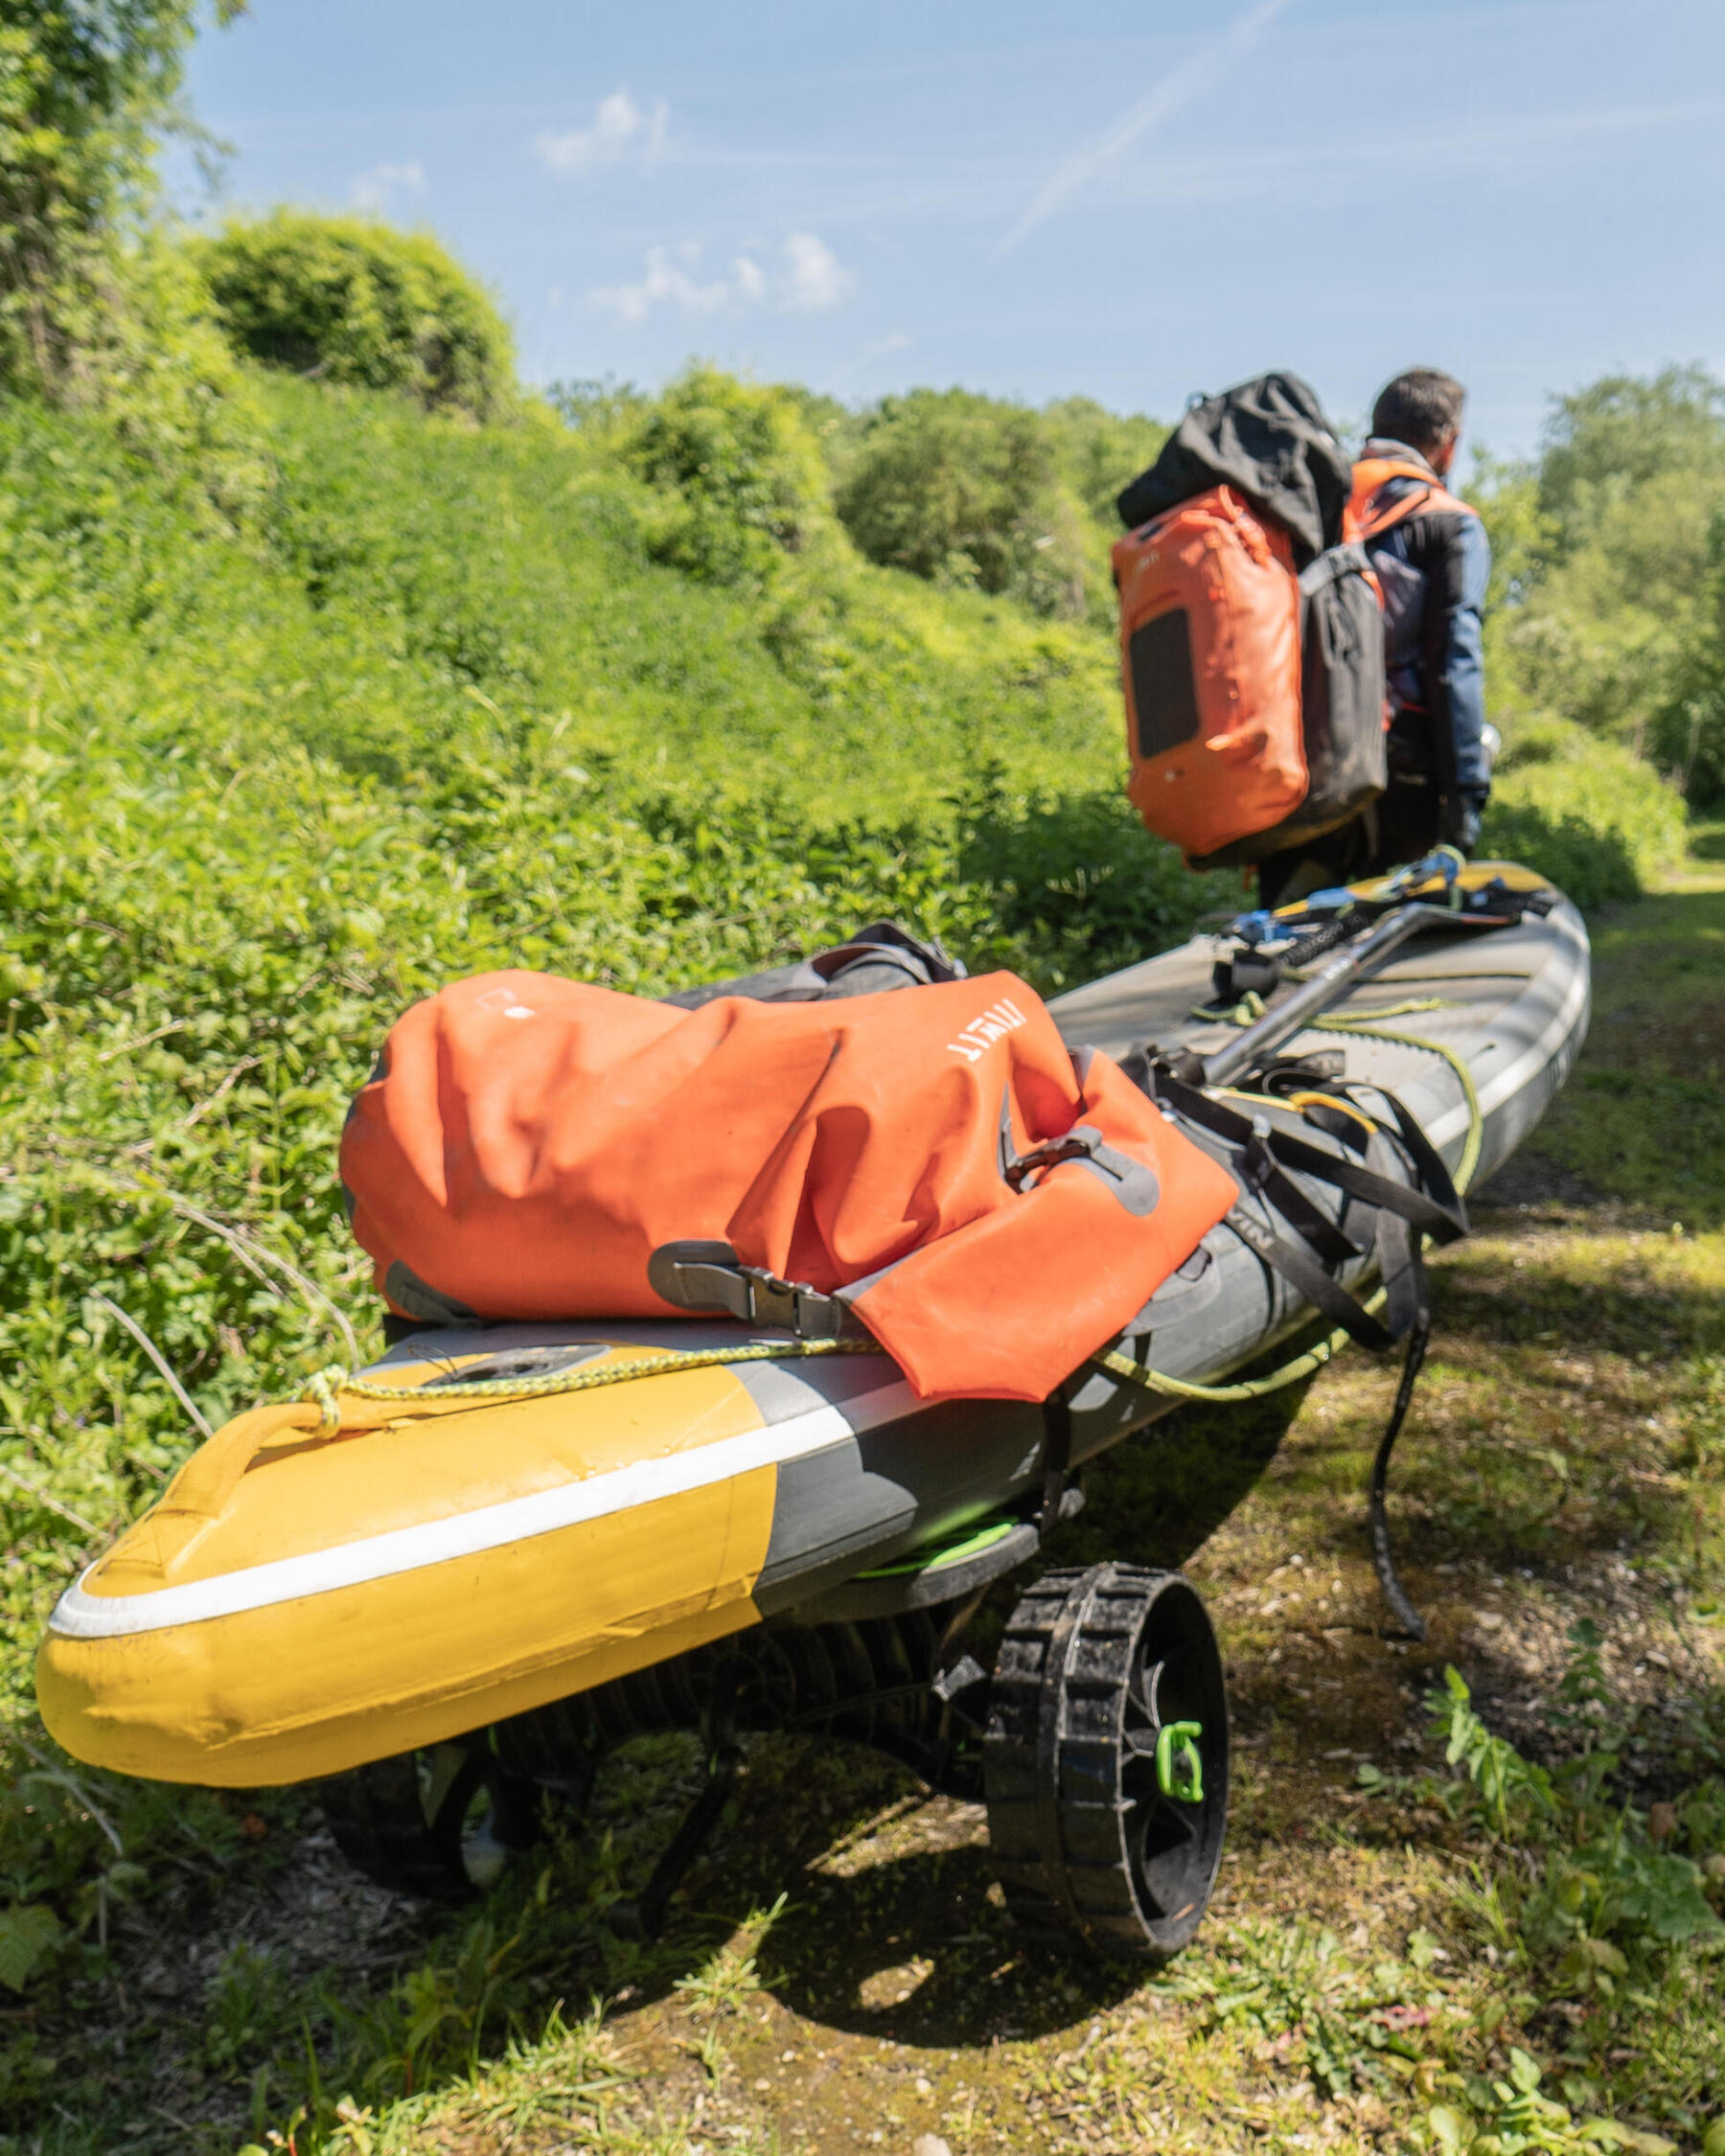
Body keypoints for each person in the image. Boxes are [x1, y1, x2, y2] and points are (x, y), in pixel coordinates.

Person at [1257, 367, 1493, 906]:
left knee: (1280, 938)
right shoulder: (1448, 524)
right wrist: (1466, 796)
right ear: (1447, 447)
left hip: (1294, 757)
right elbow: (1454, 663)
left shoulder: (1312, 506)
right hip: (1396, 769)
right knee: (1395, 948)